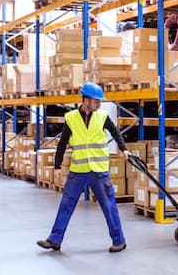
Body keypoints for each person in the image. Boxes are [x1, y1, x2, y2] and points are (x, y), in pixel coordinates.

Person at [37, 82, 130, 253]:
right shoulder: (71, 118)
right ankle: (54, 240)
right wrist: (57, 166)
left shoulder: (102, 116)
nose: (99, 104)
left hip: (98, 171)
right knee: (66, 204)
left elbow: (115, 132)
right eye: (96, 101)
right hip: (78, 171)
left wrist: (124, 149)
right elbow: (63, 143)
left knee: (108, 205)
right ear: (86, 100)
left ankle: (119, 240)